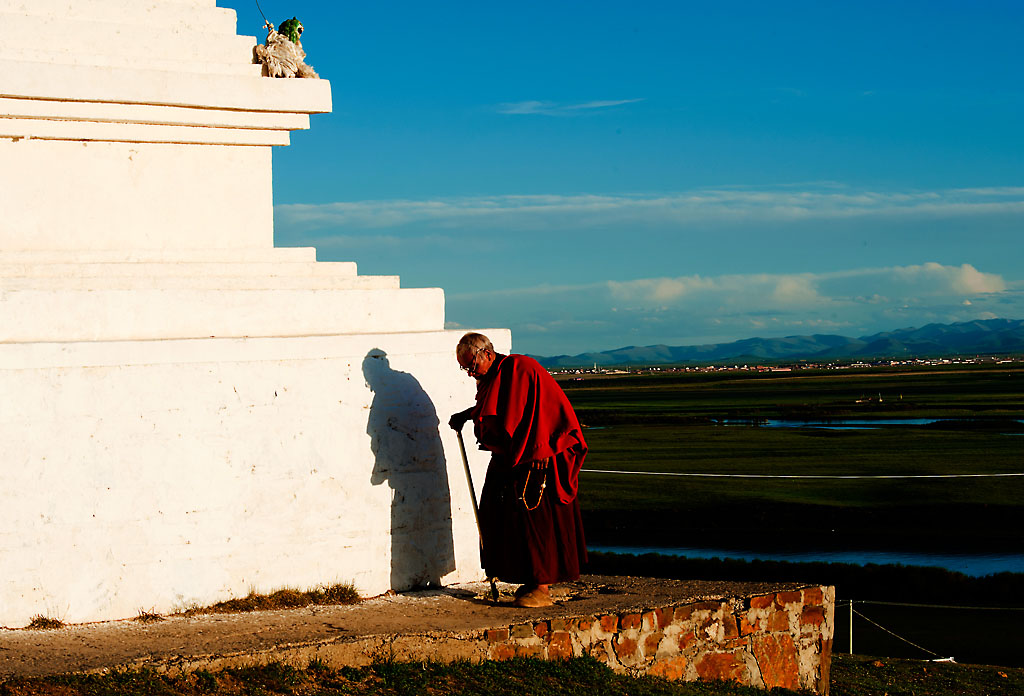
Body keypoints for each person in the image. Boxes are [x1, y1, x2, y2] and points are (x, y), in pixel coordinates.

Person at [449, 332, 587, 607]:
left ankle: (542, 586)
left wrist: (541, 450)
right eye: (465, 368)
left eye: (472, 367)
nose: (469, 374)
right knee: (497, 513)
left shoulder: (521, 368)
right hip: (511, 456)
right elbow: (499, 409)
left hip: (537, 456)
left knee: (535, 519)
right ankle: (526, 575)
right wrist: (467, 415)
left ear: (486, 354)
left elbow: (542, 410)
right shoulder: (493, 376)